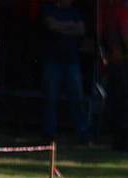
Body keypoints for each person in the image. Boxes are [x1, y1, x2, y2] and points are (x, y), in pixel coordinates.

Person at [41, 0, 88, 144]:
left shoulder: (75, 12)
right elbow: (52, 26)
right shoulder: (49, 9)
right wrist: (70, 27)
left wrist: (61, 26)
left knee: (77, 99)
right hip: (52, 61)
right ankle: (50, 135)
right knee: (51, 99)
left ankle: (82, 135)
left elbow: (81, 29)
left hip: (72, 62)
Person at [104, 0, 128, 152]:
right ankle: (126, 143)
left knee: (116, 104)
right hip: (124, 64)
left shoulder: (111, 13)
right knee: (127, 105)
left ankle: (118, 142)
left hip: (113, 64)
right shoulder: (124, 14)